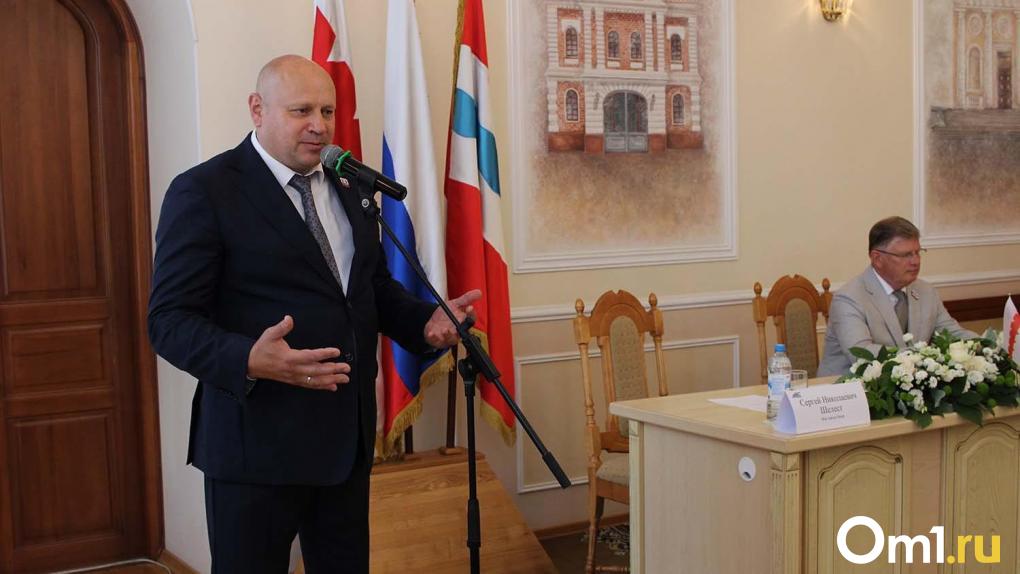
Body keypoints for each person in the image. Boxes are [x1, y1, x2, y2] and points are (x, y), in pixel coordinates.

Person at [148, 55, 479, 574]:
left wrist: (423, 323)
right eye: (301, 110)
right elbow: (168, 320)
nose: (319, 125)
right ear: (257, 109)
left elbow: (368, 289)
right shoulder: (205, 191)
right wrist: (249, 359)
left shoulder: (350, 188)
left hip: (343, 445)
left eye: (327, 110)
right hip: (255, 447)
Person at [817, 216, 974, 377]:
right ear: (877, 258)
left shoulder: (926, 292)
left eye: (917, 252)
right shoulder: (849, 299)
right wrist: (924, 358)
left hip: (911, 385)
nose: (915, 261)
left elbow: (953, 335)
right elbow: (862, 355)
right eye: (906, 255)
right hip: (848, 387)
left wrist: (986, 344)